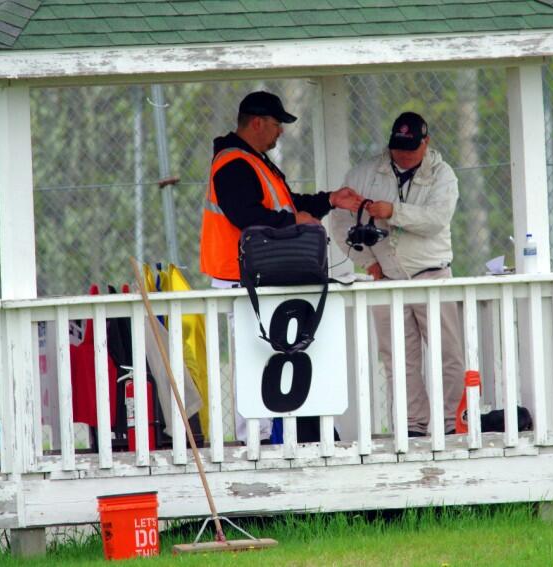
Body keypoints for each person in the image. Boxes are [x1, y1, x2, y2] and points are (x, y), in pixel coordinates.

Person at [199, 91, 363, 442]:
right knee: (251, 357)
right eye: (276, 125)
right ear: (257, 122)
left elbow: (287, 204)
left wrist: (329, 200)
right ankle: (254, 440)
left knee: (268, 353)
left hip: (256, 277)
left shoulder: (253, 160)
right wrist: (293, 222)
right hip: (238, 277)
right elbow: (247, 214)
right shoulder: (233, 162)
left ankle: (278, 433)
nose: (280, 133)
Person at [331, 112, 464, 437]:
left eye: (410, 148)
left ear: (426, 142)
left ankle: (452, 423)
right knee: (399, 358)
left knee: (449, 353)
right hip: (387, 277)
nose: (403, 154)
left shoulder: (443, 176)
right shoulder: (364, 174)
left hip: (431, 275)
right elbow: (339, 221)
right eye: (397, 147)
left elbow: (436, 218)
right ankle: (412, 426)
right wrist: (368, 261)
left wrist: (394, 212)